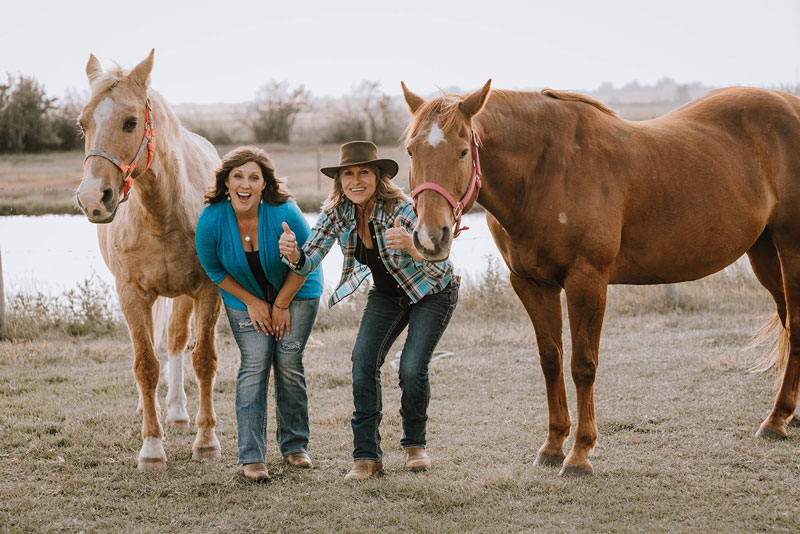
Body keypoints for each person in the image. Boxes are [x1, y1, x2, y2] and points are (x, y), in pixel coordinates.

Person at [279, 141, 459, 481]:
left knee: (411, 368)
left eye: (364, 172)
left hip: (433, 292)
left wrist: (412, 246)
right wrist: (292, 254)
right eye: (348, 174)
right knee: (363, 361)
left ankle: (414, 445)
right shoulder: (337, 213)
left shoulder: (402, 209)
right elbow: (309, 259)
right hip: (388, 295)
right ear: (340, 180)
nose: (356, 180)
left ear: (378, 177)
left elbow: (440, 262)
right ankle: (366, 457)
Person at [195, 146, 323, 482]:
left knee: (288, 362)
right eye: (237, 176)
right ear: (226, 182)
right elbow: (214, 270)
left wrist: (280, 304)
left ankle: (295, 446)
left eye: (254, 177)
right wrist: (253, 302)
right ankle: (252, 456)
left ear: (265, 184)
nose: (245, 184)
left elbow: (307, 261)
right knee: (254, 364)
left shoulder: (285, 211)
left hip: (298, 289)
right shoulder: (211, 220)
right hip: (243, 295)